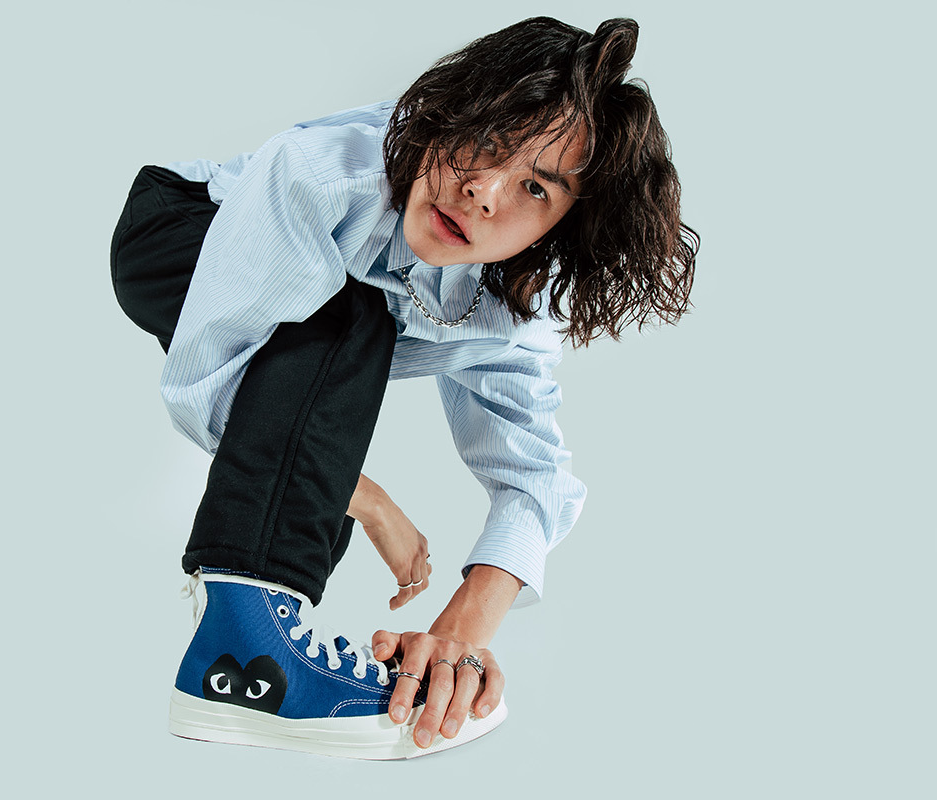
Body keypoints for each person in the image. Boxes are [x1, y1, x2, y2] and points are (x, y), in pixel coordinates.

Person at [110, 16, 697, 759]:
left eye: (534, 187)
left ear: (559, 228)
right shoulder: (320, 176)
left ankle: (276, 640)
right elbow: (204, 379)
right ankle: (244, 646)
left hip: (320, 329)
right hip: (182, 227)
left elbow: (535, 478)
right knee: (354, 318)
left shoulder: (512, 307)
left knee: (347, 343)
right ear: (452, 113)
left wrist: (462, 635)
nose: (482, 192)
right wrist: (370, 501)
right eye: (487, 140)